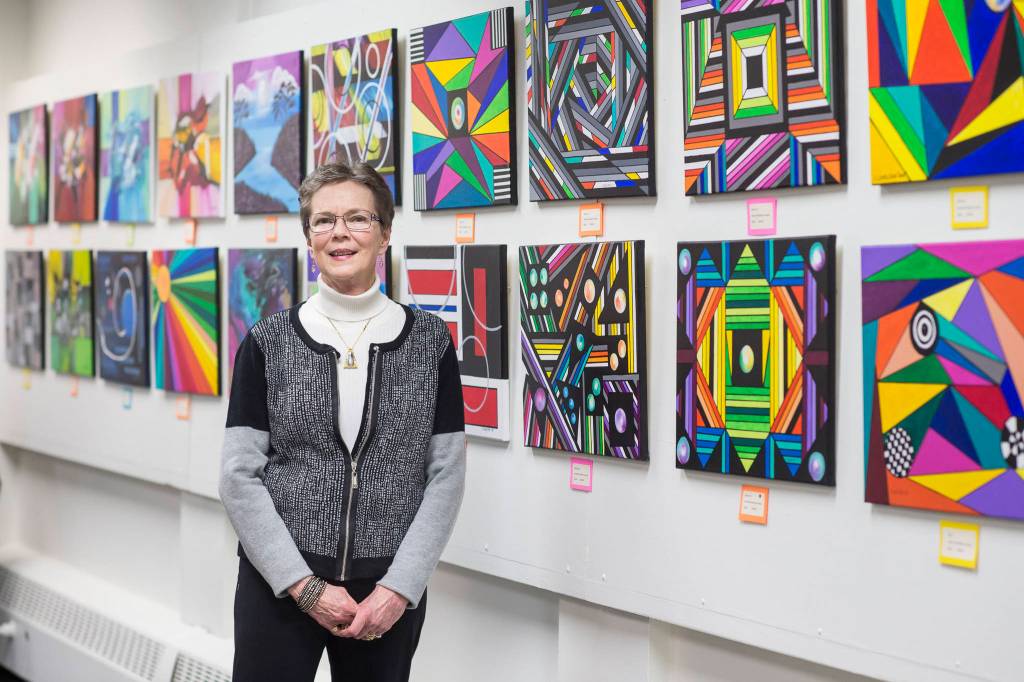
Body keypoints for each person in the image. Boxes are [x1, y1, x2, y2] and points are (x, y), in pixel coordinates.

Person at [220, 162, 466, 681]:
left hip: (386, 594)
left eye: (358, 218)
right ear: (308, 237)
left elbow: (446, 476)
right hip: (280, 588)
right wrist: (304, 587)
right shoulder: (267, 343)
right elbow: (238, 476)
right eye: (324, 220)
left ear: (385, 233)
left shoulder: (430, 343)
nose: (340, 233)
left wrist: (400, 588)